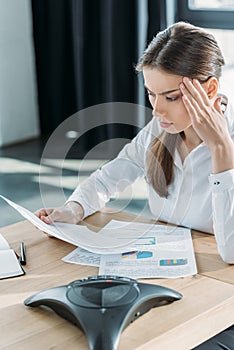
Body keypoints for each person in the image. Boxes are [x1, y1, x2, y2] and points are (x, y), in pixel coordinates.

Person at [36, 22, 234, 349]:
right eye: (151, 94)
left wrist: (222, 151)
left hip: (221, 297)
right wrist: (75, 208)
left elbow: (230, 254)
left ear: (209, 91)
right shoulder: (160, 130)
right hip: (171, 278)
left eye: (170, 97)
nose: (156, 109)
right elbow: (117, 170)